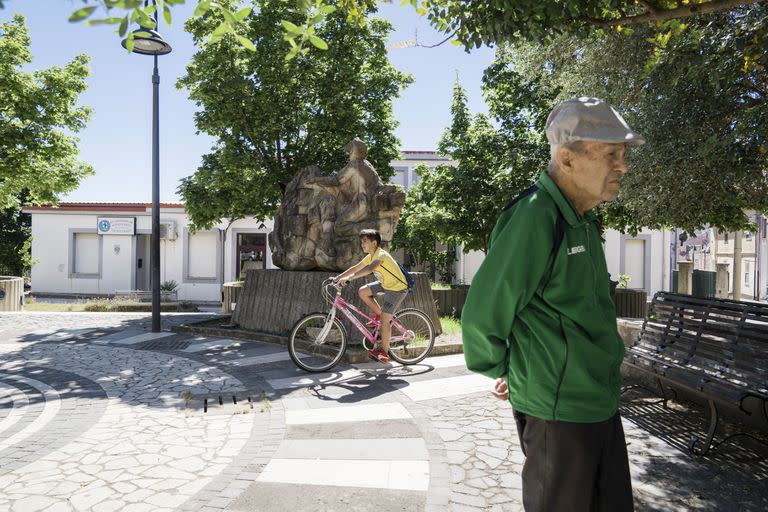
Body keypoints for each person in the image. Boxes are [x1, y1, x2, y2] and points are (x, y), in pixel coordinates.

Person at [462, 97, 645, 512]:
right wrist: (514, 370)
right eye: (611, 155)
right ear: (566, 159)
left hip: (598, 400)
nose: (623, 166)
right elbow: (481, 317)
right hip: (560, 411)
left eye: (624, 155)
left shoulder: (583, 217)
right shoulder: (535, 216)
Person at [335, 229, 409, 364]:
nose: (362, 244)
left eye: (365, 242)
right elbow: (356, 267)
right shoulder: (370, 255)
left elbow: (369, 269)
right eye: (361, 242)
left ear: (374, 243)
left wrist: (350, 278)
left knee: (385, 321)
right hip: (386, 284)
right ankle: (379, 314)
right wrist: (338, 277)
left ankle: (384, 352)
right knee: (363, 292)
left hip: (397, 288)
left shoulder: (381, 255)